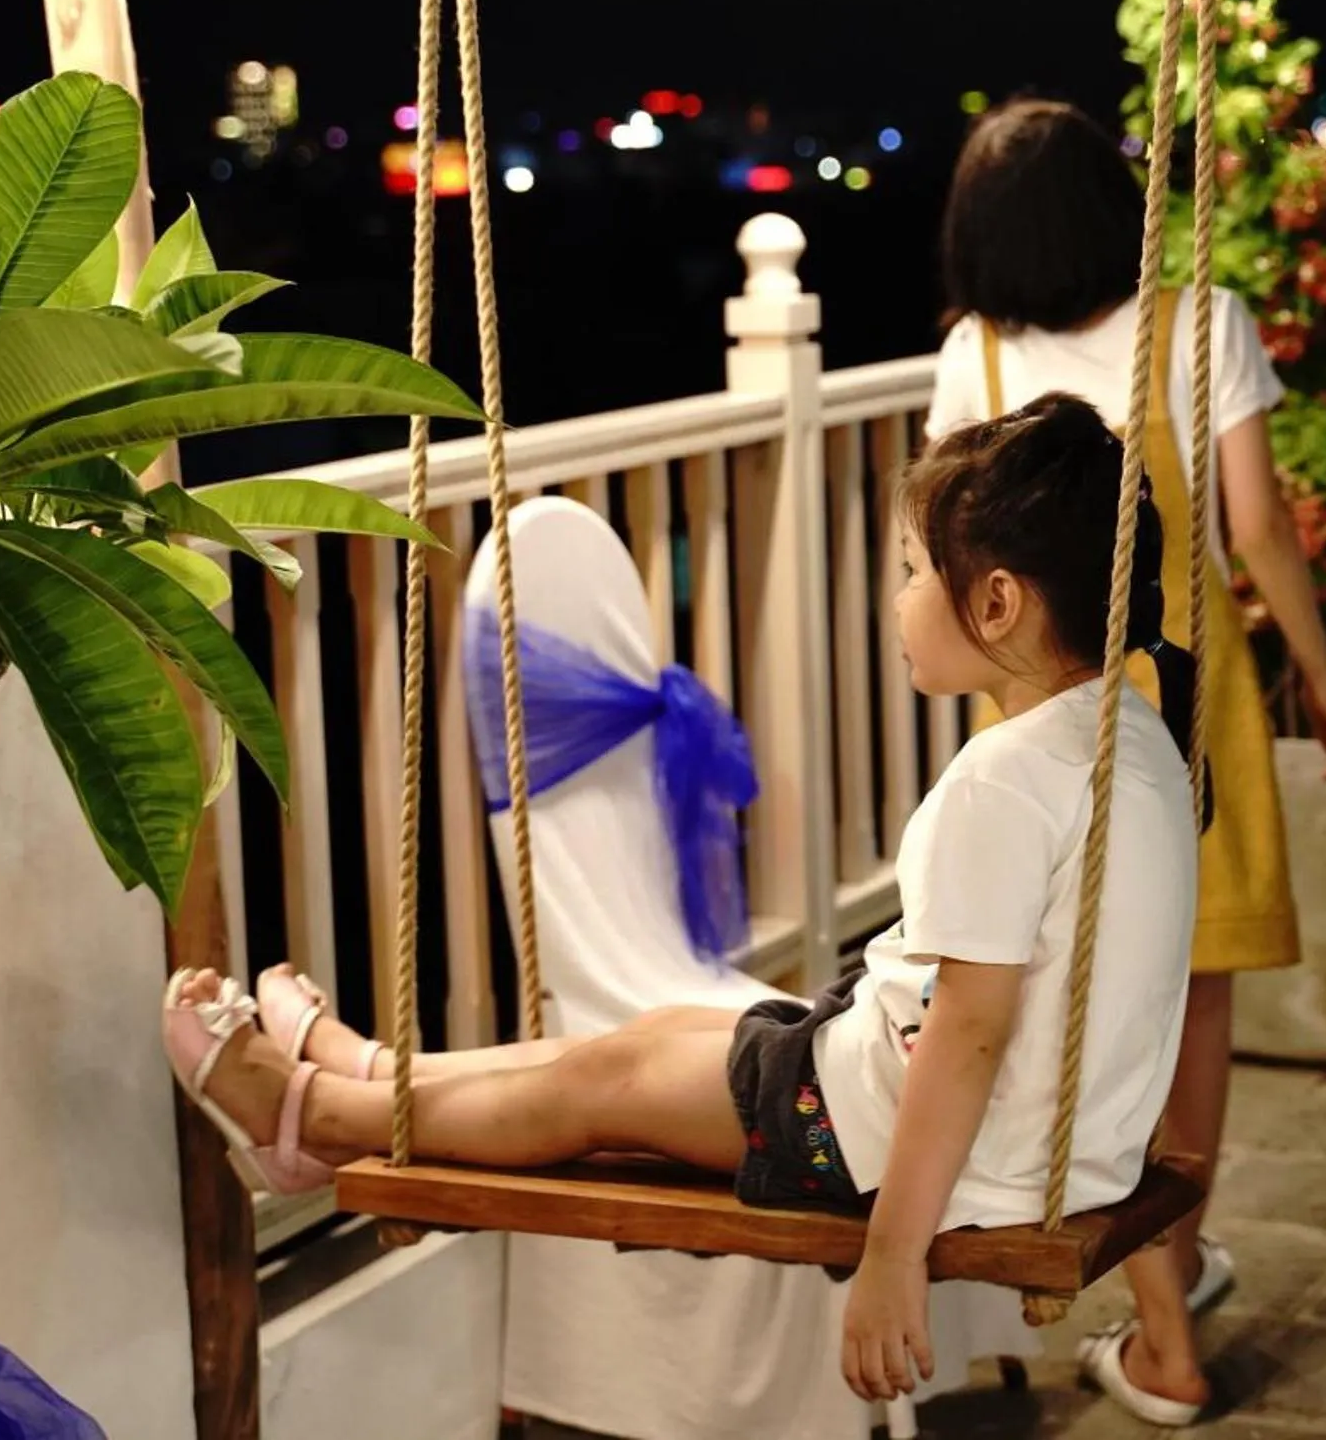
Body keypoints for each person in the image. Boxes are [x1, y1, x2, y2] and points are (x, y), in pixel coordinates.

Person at [164, 394, 1203, 1406]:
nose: (895, 600)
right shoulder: (1134, 737)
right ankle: (383, 1073)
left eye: (910, 573)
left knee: (608, 1080)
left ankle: (316, 1117)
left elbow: (971, 1033)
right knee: (655, 1037)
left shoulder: (1001, 782)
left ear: (997, 602)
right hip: (1025, 1140)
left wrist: (891, 1255)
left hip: (891, 1138)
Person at [925, 98, 1326, 1424]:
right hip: (1186, 713)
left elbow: (954, 575)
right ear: (1113, 211)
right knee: (1191, 1011)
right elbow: (1264, 527)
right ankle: (1169, 1301)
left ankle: (1163, 1300)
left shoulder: (977, 365)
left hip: (1038, 733)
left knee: (1072, 1017)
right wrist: (1324, 676)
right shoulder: (1200, 323)